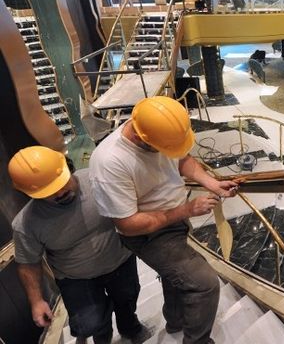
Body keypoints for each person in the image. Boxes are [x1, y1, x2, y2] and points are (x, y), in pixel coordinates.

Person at [89, 96, 239, 344]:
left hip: (174, 216)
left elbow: (183, 159)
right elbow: (127, 225)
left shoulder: (158, 131)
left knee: (177, 278)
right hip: (148, 234)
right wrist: (187, 210)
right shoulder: (110, 163)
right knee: (204, 284)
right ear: (140, 137)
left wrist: (213, 183)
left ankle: (175, 322)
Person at [9, 146, 148, 344]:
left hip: (120, 261)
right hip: (76, 278)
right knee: (91, 322)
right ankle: (102, 335)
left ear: (68, 167)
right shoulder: (26, 224)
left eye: (61, 183)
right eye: (47, 192)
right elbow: (28, 264)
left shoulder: (98, 179)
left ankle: (130, 328)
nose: (59, 193)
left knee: (127, 299)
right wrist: (37, 301)